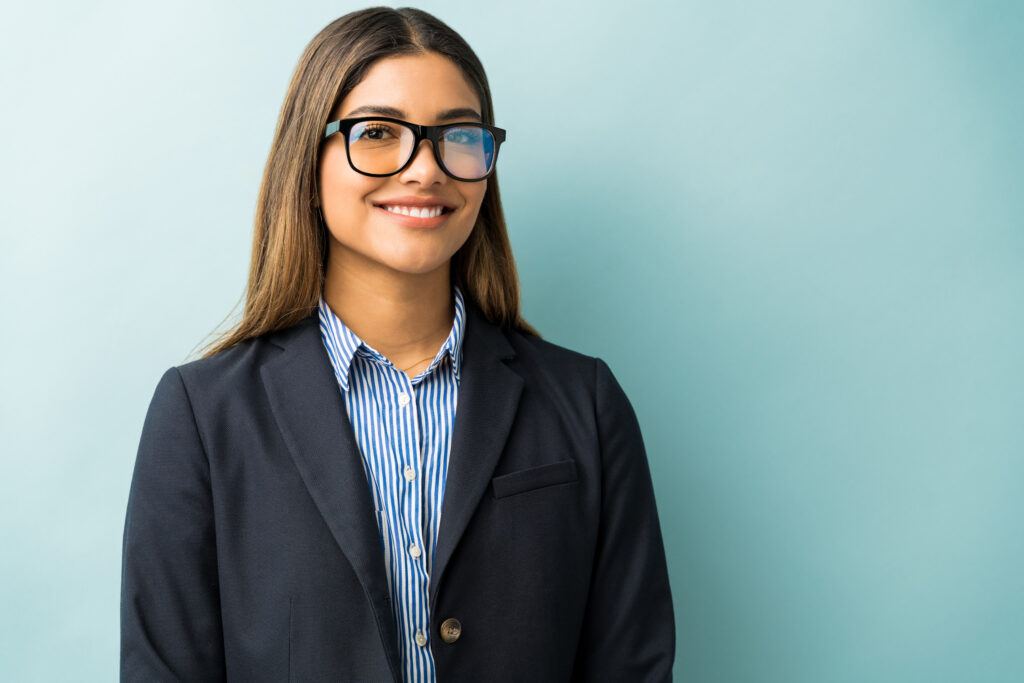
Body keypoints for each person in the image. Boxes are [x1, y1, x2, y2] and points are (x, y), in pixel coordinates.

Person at [120, 6, 675, 682]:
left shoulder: (585, 402)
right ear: (309, 159)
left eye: (457, 135)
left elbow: (632, 664)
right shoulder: (202, 416)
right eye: (378, 132)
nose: (425, 169)